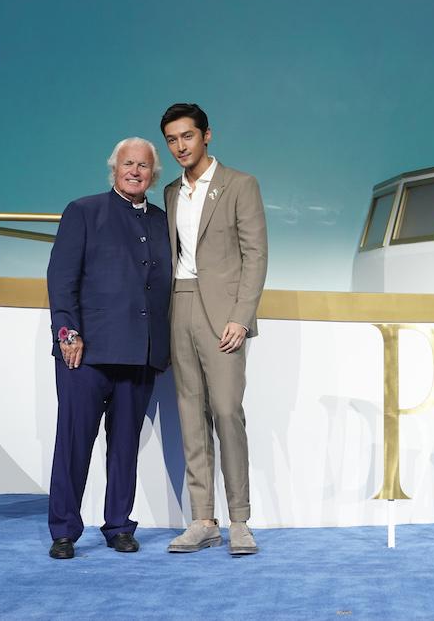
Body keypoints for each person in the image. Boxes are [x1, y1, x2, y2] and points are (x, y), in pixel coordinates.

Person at [45, 137, 172, 560]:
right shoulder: (84, 211)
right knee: (73, 444)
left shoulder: (161, 222)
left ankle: (119, 526)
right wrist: (67, 333)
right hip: (86, 353)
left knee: (124, 447)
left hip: (140, 354)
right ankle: (64, 531)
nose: (135, 171)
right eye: (127, 164)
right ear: (114, 169)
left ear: (153, 175)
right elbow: (61, 279)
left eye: (143, 166)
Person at [161, 103, 268, 556]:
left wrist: (241, 317)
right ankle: (203, 520)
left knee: (226, 411)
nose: (180, 146)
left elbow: (255, 255)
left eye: (187, 136)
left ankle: (239, 521)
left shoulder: (240, 184)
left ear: (206, 135)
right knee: (190, 415)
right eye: (172, 140)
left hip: (224, 314)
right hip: (179, 304)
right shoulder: (170, 192)